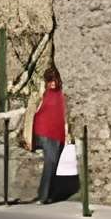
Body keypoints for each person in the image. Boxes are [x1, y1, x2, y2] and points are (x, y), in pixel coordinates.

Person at [31, 66, 69, 203]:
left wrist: (67, 130)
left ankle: (50, 195)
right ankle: (43, 196)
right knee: (50, 162)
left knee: (55, 164)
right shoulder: (44, 93)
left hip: (58, 133)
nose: (52, 83)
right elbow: (35, 110)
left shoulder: (62, 93)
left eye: (54, 80)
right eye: (49, 80)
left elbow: (65, 114)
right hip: (44, 131)